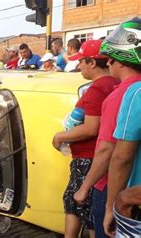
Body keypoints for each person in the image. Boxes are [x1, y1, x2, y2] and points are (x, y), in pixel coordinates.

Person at [52, 40, 119, 237]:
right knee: (88, 207)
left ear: (92, 63)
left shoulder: (99, 88)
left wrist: (60, 136)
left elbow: (91, 128)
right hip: (97, 159)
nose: (78, 65)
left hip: (87, 159)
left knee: (78, 203)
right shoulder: (113, 84)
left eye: (81, 61)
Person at [99, 18, 141, 237]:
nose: (107, 64)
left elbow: (121, 158)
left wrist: (112, 207)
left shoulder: (135, 93)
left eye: (111, 59)